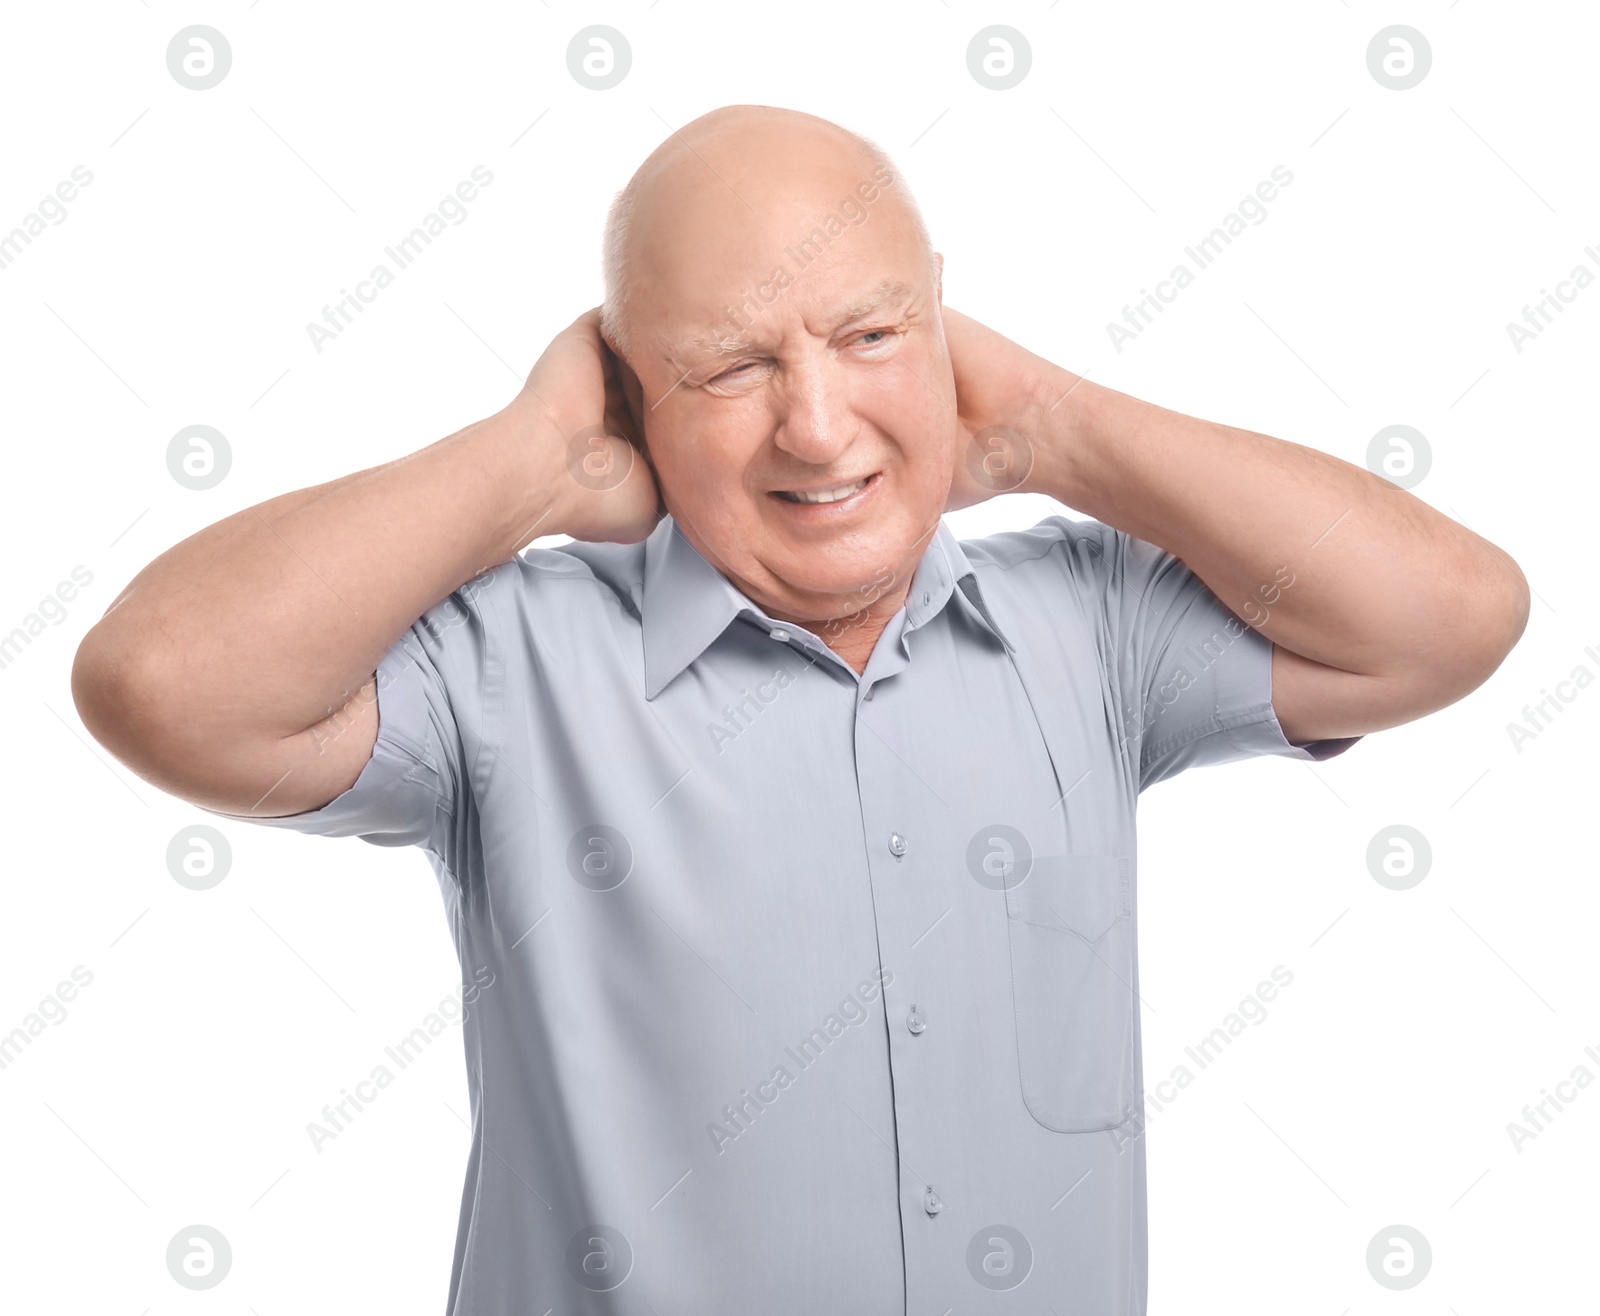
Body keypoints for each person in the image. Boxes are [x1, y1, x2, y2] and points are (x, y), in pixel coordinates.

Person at [72, 104, 1528, 1314]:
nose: (818, 427)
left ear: (946, 321)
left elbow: (1450, 618)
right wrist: (527, 465)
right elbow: (164, 684)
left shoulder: (1090, 629)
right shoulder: (511, 671)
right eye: (728, 367)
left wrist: (1055, 430)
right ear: (632, 395)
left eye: (874, 336)